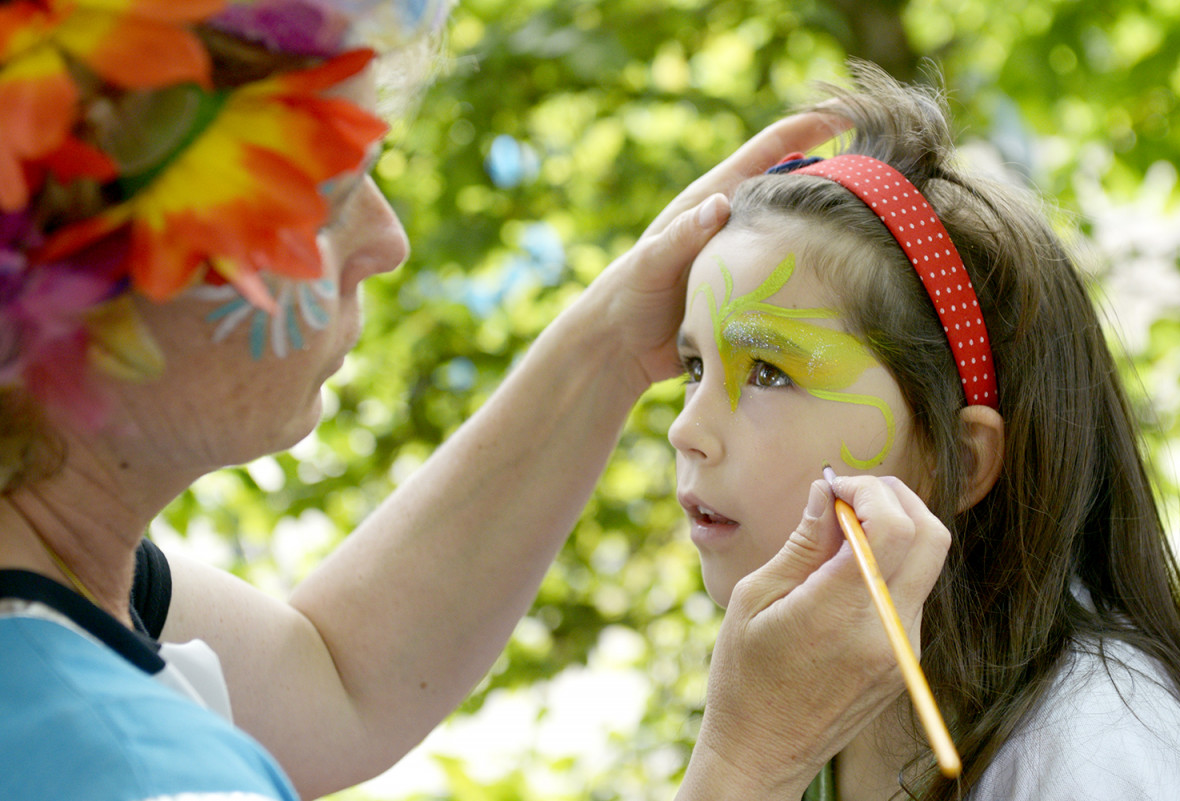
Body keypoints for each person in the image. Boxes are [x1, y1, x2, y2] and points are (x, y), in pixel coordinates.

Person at [0, 4, 952, 801]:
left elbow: (335, 677)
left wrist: (612, 346)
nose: (388, 239)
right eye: (323, 195)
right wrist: (750, 762)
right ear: (78, 282)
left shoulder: (62, 588)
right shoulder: (130, 770)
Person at [669, 62, 1180, 801]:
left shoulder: (1094, 752)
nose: (686, 429)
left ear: (960, 459)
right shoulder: (827, 703)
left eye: (769, 371)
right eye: (693, 365)